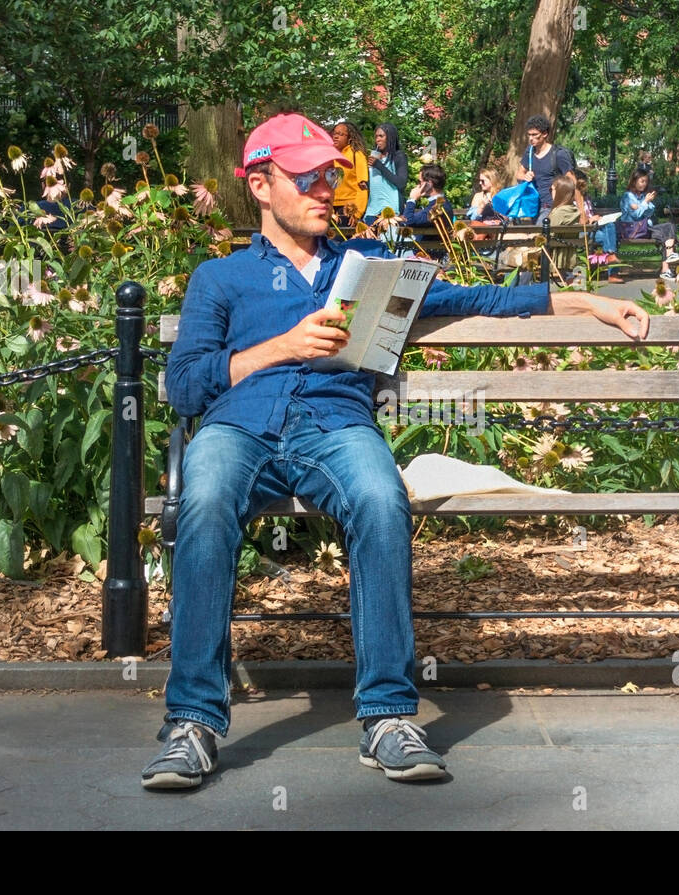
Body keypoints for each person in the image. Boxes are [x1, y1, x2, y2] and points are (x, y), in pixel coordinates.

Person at [143, 111, 649, 790]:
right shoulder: (221, 278)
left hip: (336, 427)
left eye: (328, 174)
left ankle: (387, 717)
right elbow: (182, 386)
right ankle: (193, 724)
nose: (325, 188)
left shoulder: (372, 268)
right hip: (239, 428)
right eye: (305, 177)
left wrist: (588, 301)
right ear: (261, 185)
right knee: (202, 497)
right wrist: (280, 347)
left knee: (381, 497)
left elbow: (480, 296)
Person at [619, 170, 679, 276]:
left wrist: (645, 202)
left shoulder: (641, 196)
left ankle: (666, 267)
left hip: (643, 229)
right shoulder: (628, 196)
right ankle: (668, 259)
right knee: (666, 233)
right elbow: (636, 215)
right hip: (631, 230)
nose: (644, 184)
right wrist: (645, 202)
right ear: (634, 181)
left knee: (669, 227)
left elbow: (649, 213)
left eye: (646, 181)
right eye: (642, 181)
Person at [516, 115, 574, 212]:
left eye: (534, 135)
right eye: (529, 135)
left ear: (545, 134)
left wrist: (581, 213)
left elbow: (573, 182)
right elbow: (518, 174)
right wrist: (525, 176)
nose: (531, 138)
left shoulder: (559, 154)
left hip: (552, 207)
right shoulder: (529, 152)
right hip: (533, 206)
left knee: (542, 226)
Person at [364, 123, 407, 225]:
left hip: (391, 209)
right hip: (372, 209)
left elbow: (401, 183)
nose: (377, 140)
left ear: (391, 137)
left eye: (381, 136)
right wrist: (366, 183)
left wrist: (380, 166)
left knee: (388, 240)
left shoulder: (398, 156)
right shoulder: (375, 155)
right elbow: (376, 182)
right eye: (376, 137)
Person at [330, 121, 369, 226]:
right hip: (330, 208)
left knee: (339, 241)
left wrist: (357, 212)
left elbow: (363, 187)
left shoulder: (357, 155)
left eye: (341, 134)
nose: (336, 137)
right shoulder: (329, 156)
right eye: (335, 133)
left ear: (350, 138)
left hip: (348, 209)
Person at [398, 163, 452, 227]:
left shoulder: (437, 208)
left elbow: (407, 221)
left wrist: (412, 199)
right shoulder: (442, 203)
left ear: (429, 183)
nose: (418, 185)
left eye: (420, 182)